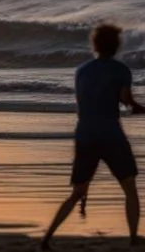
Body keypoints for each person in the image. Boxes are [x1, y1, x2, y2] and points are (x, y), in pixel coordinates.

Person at [41, 24, 144, 250]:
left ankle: (47, 237)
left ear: (94, 44)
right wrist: (141, 108)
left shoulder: (82, 70)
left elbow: (82, 105)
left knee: (78, 191)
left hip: (85, 133)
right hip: (111, 135)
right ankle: (134, 238)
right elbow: (127, 101)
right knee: (129, 187)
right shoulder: (121, 70)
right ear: (116, 46)